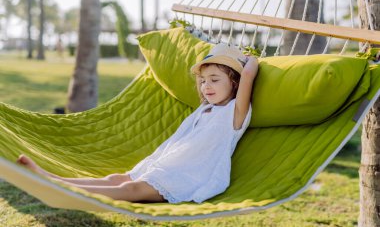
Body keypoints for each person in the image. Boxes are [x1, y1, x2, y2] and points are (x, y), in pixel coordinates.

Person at [17, 43, 259, 203]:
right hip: (164, 166)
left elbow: (248, 73)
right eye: (203, 80)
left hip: (186, 178)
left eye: (215, 80)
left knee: (131, 191)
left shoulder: (234, 114)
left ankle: (62, 192)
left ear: (235, 84)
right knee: (115, 179)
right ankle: (53, 180)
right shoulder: (204, 110)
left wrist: (250, 59)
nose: (206, 86)